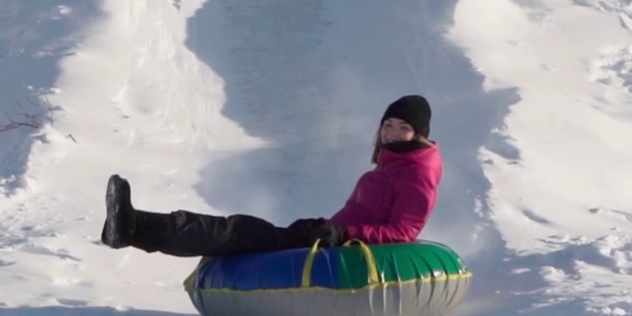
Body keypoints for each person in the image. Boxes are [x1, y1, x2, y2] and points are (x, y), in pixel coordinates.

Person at [100, 94, 442, 257]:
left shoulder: (417, 172)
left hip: (345, 250)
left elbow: (405, 229)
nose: (392, 133)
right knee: (240, 232)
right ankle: (132, 227)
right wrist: (330, 227)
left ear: (419, 134)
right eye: (388, 125)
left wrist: (341, 232)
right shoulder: (390, 165)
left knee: (240, 232)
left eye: (403, 128)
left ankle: (134, 228)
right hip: (330, 238)